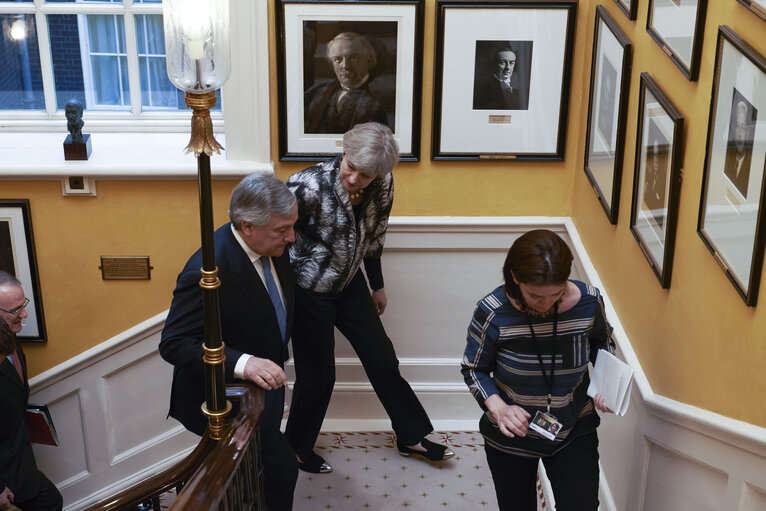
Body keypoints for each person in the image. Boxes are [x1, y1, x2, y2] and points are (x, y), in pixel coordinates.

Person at [284, 122, 453, 473]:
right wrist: (282, 297)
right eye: (351, 168)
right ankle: (296, 449)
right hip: (309, 291)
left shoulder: (383, 183)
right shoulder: (307, 185)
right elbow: (278, 241)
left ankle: (411, 437)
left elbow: (374, 236)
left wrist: (377, 285)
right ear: (343, 153)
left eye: (365, 175)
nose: (354, 179)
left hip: (350, 286)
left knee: (383, 360)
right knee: (318, 376)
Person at [159, 173, 299, 511]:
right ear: (248, 226)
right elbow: (175, 343)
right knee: (282, 470)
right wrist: (243, 362)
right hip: (227, 398)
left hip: (267, 384)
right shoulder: (207, 271)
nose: (292, 237)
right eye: (282, 230)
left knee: (260, 475)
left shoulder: (273, 245)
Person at [461, 230, 615, 510]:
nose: (546, 305)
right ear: (515, 277)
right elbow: (473, 370)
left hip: (575, 426)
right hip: (512, 434)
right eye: (535, 296)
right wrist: (498, 407)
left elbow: (602, 343)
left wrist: (606, 381)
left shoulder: (589, 302)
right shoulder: (493, 311)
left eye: (557, 294)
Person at [0, 272, 63, 511]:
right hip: (5, 475)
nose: (24, 315)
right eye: (16, 310)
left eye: (23, 305)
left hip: (21, 464)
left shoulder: (10, 338)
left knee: (51, 501)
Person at [304, 32, 389, 134]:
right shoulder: (315, 93)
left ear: (368, 59)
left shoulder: (379, 100)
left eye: (353, 58)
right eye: (338, 59)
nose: (345, 66)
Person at [473, 46, 521, 110]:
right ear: (494, 64)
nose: (508, 67)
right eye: (503, 62)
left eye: (511, 63)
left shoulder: (521, 88)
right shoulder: (482, 89)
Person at [724, 99, 753, 198]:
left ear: (748, 133)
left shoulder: (750, 171)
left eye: (743, 128)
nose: (740, 134)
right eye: (738, 127)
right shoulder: (726, 160)